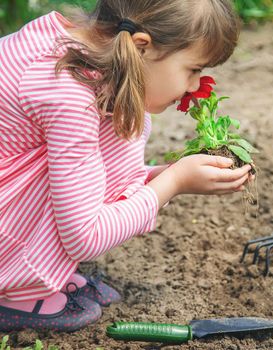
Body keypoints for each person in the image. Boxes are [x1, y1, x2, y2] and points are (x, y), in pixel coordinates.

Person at [0, 0, 250, 332]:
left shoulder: (74, 48)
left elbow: (90, 173)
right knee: (112, 127)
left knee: (115, 121)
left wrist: (163, 175)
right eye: (193, 69)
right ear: (141, 46)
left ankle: (32, 271)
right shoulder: (66, 95)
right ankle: (14, 289)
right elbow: (84, 237)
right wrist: (171, 184)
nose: (194, 86)